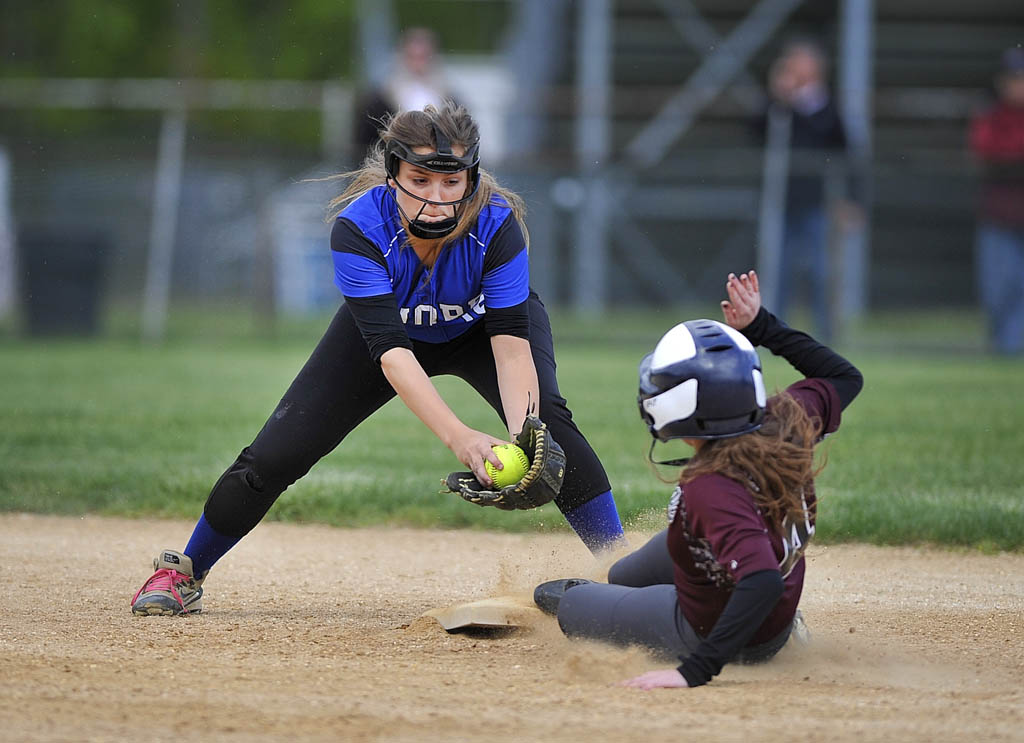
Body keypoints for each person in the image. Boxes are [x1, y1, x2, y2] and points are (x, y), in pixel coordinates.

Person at [130, 102, 625, 616]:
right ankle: (183, 571)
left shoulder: (498, 226)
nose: (437, 198)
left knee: (553, 433)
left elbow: (510, 344)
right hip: (388, 335)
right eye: (420, 179)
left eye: (452, 182)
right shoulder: (359, 228)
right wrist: (462, 438)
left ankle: (623, 575)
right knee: (276, 455)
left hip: (483, 329)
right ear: (392, 174)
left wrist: (528, 433)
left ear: (471, 178)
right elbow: (392, 354)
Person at [533, 270, 863, 689]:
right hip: (758, 600)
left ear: (681, 405)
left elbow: (760, 580)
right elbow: (845, 378)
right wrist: (763, 327)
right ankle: (633, 596)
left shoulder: (712, 486)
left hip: (716, 629)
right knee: (622, 574)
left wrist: (695, 670)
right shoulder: (787, 417)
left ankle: (639, 616)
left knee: (573, 603)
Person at [757, 39, 861, 343]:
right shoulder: (777, 107)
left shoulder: (826, 107)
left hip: (819, 203)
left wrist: (850, 200)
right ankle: (773, 335)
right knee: (776, 273)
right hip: (780, 203)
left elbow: (844, 152)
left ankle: (825, 337)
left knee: (821, 274)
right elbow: (755, 130)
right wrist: (777, 98)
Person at [968, 47, 1024, 356]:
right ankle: (1004, 351)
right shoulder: (990, 113)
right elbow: (986, 151)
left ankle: (1014, 355)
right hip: (999, 216)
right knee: (997, 291)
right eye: (1013, 79)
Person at [354, 28, 460, 156]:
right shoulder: (377, 101)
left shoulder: (450, 101)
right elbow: (364, 145)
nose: (418, 64)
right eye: (412, 57)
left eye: (423, 57)